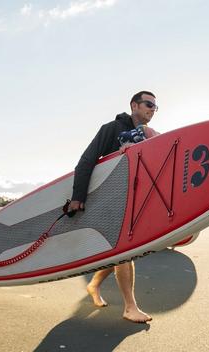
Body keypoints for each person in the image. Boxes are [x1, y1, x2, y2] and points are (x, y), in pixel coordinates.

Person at [67, 90, 159, 323]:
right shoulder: (111, 128)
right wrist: (78, 197)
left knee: (120, 252)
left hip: (131, 201)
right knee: (124, 252)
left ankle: (94, 285)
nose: (152, 109)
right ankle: (130, 307)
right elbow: (87, 160)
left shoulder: (147, 135)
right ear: (134, 105)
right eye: (148, 104)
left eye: (155, 107)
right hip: (108, 199)